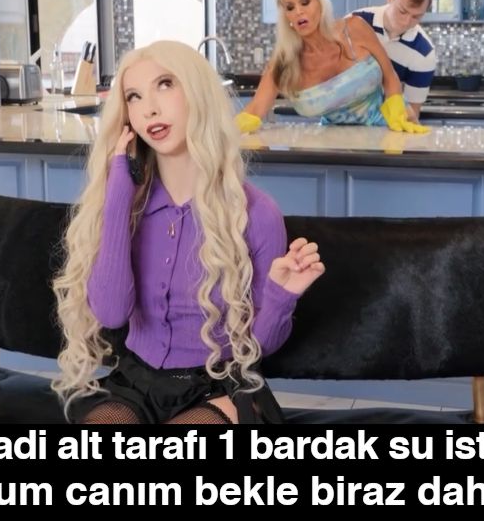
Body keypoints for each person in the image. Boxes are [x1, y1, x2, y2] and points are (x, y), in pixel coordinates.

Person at [51, 40, 325, 425]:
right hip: (136, 381)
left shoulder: (257, 212)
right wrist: (117, 195)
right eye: (134, 96)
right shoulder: (126, 205)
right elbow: (111, 315)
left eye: (165, 85)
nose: (149, 108)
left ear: (198, 94)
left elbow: (259, 347)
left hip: (219, 386)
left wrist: (282, 297)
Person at [235, 0, 428, 134]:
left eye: (305, 2)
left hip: (391, 131)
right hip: (335, 142)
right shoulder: (284, 62)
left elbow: (390, 76)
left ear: (320, 2)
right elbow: (255, 109)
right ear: (286, 17)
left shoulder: (355, 28)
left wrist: (396, 109)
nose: (298, 11)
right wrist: (228, 132)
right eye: (290, 7)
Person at [351, 0, 437, 121]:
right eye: (402, 11)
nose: (406, 22)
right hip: (339, 121)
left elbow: (411, 113)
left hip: (386, 126)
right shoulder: (356, 22)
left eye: (416, 16)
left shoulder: (424, 54)